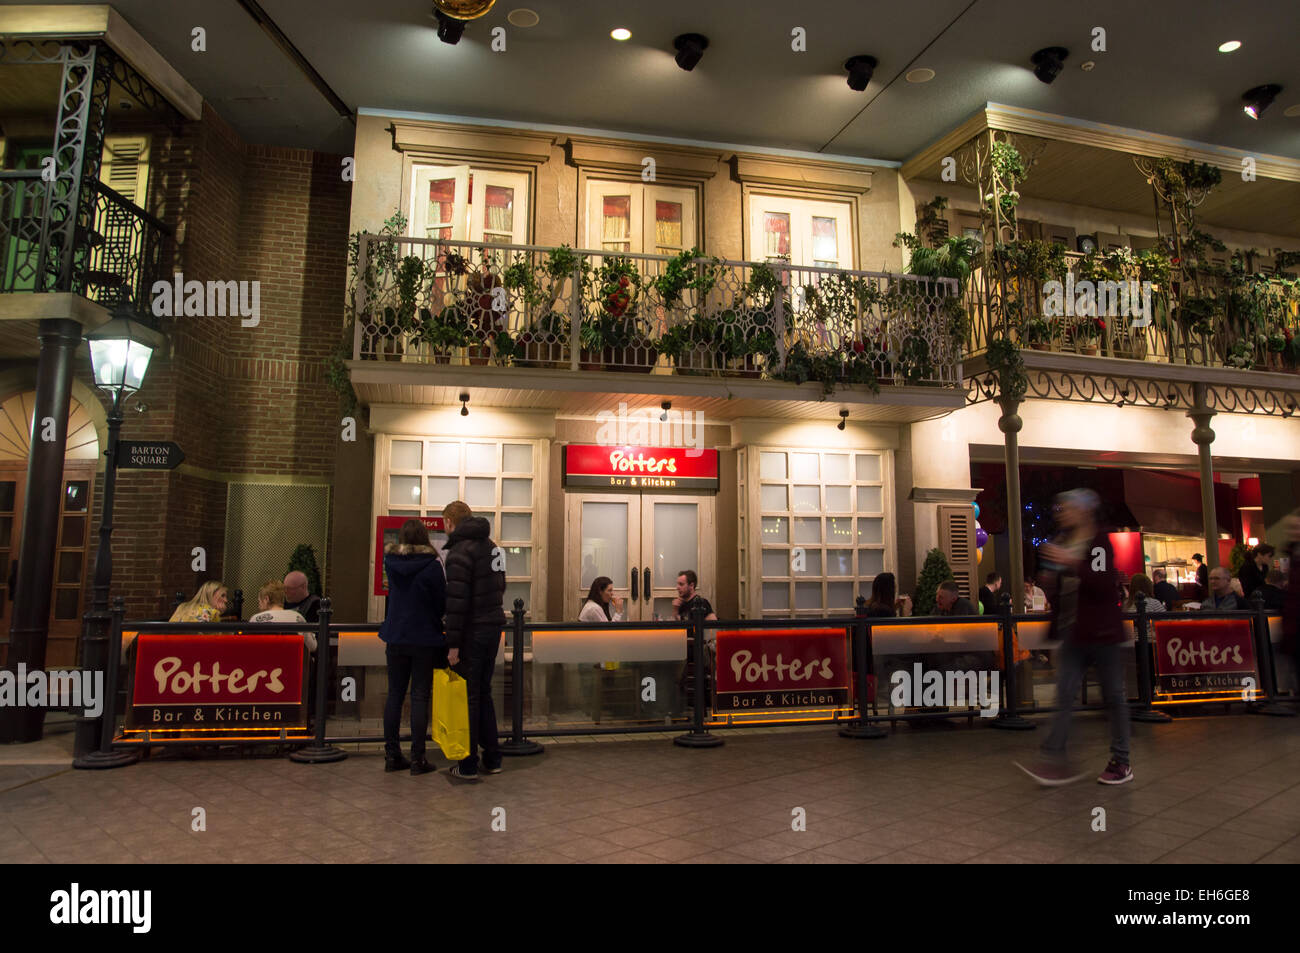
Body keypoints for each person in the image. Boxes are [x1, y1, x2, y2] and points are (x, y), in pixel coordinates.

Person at [1016, 488, 1132, 786]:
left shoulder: (1097, 541)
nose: (1062, 513)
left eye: (1066, 508)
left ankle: (1121, 760)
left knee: (1113, 696)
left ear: (1083, 511)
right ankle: (1054, 760)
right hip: (1075, 632)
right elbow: (1065, 592)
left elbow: (1102, 582)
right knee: (1064, 694)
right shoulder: (1066, 541)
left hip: (1101, 632)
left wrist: (1068, 562)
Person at [442, 500, 506, 782]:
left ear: (448, 522)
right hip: (493, 627)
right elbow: (500, 586)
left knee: (469, 696)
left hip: (472, 631)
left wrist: (453, 645)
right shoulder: (494, 548)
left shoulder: (458, 553)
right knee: (483, 693)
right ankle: (492, 757)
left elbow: (457, 603)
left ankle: (468, 763)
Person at [378, 519, 447, 775]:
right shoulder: (432, 565)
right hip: (424, 637)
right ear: (425, 537)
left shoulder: (391, 563)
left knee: (394, 695)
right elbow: (442, 601)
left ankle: (391, 755)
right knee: (420, 695)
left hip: (395, 636)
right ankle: (418, 758)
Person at [249, 579, 315, 652]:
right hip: (292, 662)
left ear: (266, 599)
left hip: (263, 662)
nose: (259, 606)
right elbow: (312, 647)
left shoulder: (255, 619)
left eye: (259, 602)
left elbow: (249, 648)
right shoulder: (297, 617)